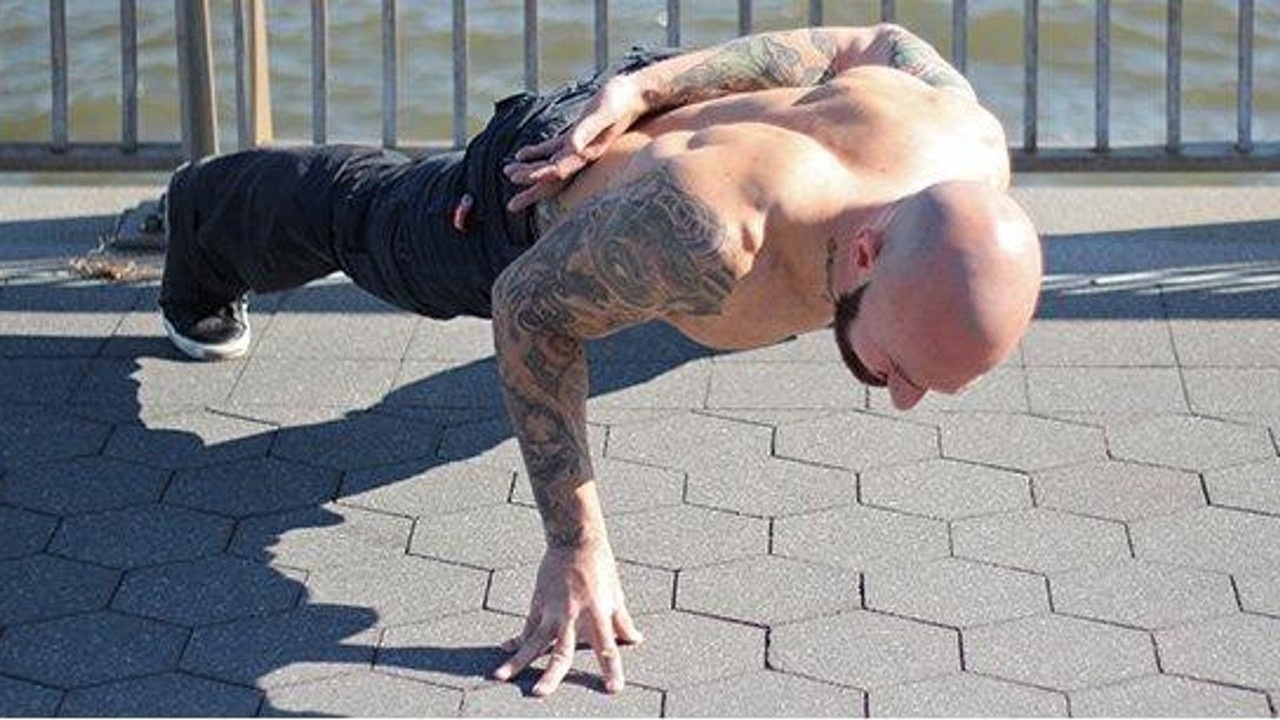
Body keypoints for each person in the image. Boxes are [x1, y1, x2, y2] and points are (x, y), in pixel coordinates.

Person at [158, 24, 1042, 697]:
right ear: (866, 253)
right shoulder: (703, 243)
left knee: (742, 304)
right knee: (372, 220)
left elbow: (870, 41)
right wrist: (574, 544)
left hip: (675, 120)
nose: (902, 401)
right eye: (900, 369)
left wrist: (649, 84)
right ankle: (196, 211)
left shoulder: (965, 143)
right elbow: (529, 310)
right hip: (538, 199)